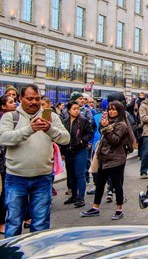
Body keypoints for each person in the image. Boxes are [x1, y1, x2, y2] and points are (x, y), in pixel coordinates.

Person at [0, 84, 69, 237]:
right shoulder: (10, 117)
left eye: (37, 99)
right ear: (20, 99)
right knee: (13, 222)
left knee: (41, 223)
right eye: (30, 99)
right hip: (15, 178)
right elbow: (3, 138)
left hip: (42, 178)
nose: (34, 102)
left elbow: (65, 138)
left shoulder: (51, 116)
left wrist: (49, 129)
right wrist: (30, 129)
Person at [80, 101, 134, 220]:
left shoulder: (122, 125)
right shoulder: (110, 122)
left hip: (116, 158)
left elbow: (114, 140)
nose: (111, 111)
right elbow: (102, 134)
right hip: (104, 157)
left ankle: (119, 210)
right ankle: (95, 207)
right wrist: (103, 126)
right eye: (110, 109)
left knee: (117, 184)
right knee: (100, 183)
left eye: (114, 109)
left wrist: (106, 128)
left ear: (119, 111)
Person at [61, 101, 94, 208]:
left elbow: (90, 133)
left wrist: (82, 141)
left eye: (78, 108)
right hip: (68, 151)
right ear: (69, 110)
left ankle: (81, 197)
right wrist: (62, 152)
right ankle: (74, 196)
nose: (76, 111)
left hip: (80, 150)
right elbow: (61, 137)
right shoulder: (64, 122)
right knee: (71, 174)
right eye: (74, 109)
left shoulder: (83, 121)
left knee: (80, 174)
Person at [0, 94, 17, 235]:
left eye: (15, 100)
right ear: (3, 106)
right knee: (5, 193)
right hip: (4, 161)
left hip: (10, 160)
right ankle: (1, 222)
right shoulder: (3, 119)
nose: (15, 103)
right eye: (11, 102)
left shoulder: (16, 118)